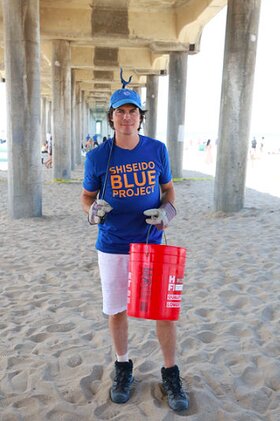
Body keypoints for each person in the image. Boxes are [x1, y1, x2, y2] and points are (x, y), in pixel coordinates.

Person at [80, 79, 189, 412]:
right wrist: (93, 212)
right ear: (111, 117)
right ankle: (122, 366)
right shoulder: (97, 156)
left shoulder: (157, 149)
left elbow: (169, 190)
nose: (126, 117)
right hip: (112, 245)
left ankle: (170, 373)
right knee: (117, 311)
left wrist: (167, 211)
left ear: (140, 117)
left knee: (163, 313)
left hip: (150, 244)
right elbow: (86, 198)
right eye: (120, 112)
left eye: (132, 112)